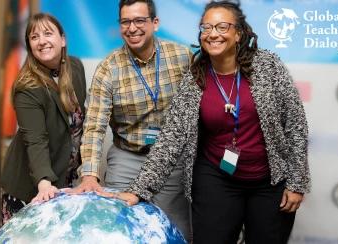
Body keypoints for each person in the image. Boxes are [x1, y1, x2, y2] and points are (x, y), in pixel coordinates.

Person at [100, 1, 311, 244]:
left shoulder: (268, 66)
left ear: (238, 33)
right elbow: (172, 137)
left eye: (222, 26)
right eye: (206, 27)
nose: (213, 34)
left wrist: (297, 182)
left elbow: (295, 125)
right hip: (216, 179)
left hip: (269, 182)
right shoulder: (195, 77)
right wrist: (139, 190)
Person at [69, 0, 192, 238]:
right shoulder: (108, 67)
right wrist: (90, 175)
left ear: (155, 23)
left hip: (172, 162)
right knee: (120, 230)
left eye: (139, 20)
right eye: (125, 22)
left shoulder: (182, 57)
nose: (132, 28)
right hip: (127, 156)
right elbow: (94, 125)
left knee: (174, 232)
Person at [0, 13, 87, 225]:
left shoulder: (76, 67)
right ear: (30, 46)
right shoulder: (27, 87)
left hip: (65, 178)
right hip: (31, 186)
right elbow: (35, 140)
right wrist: (44, 183)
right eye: (34, 37)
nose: (42, 41)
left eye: (48, 33)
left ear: (63, 39)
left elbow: (78, 123)